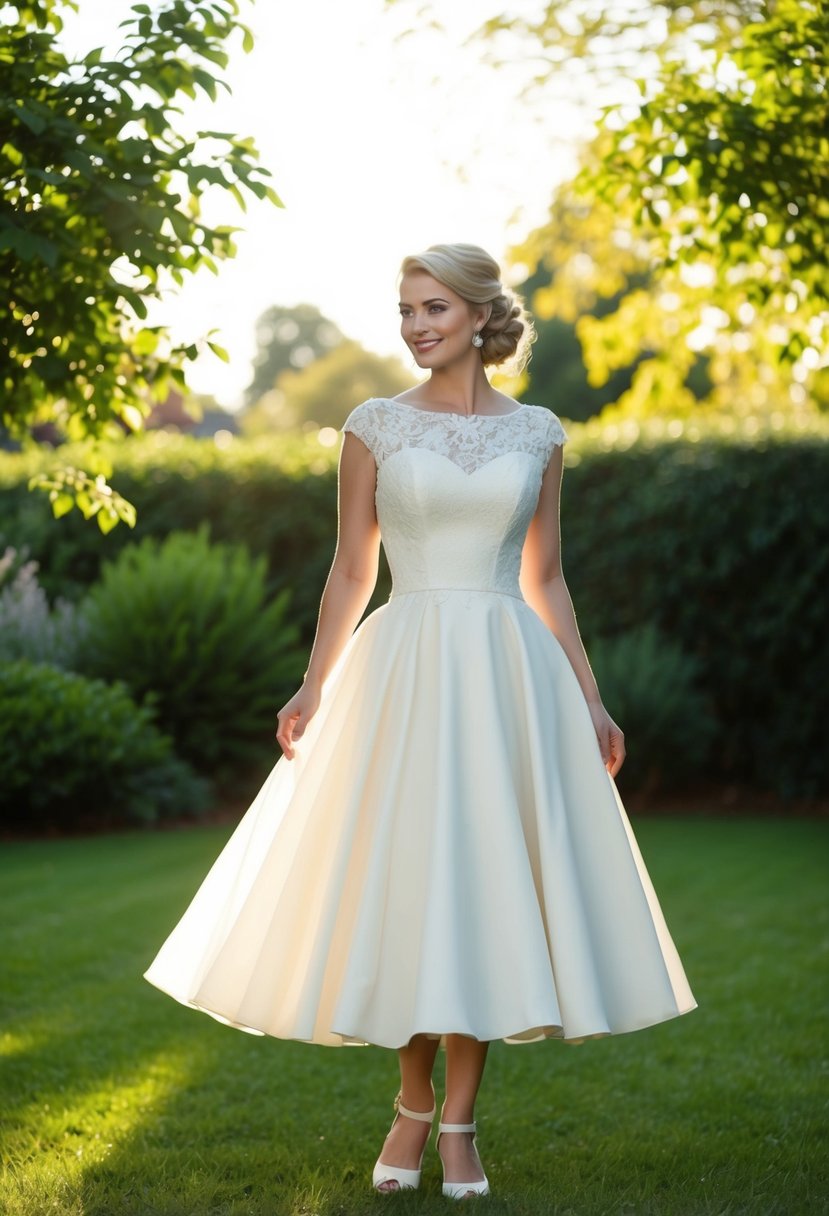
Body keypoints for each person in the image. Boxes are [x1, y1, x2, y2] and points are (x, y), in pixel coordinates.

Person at [144, 242, 697, 1201]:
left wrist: (590, 694)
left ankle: (460, 1125)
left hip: (504, 676)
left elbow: (547, 577)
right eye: (405, 310)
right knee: (406, 883)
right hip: (400, 673)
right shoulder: (372, 426)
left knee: (485, 888)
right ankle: (408, 1104)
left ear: (481, 318)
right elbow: (352, 571)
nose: (415, 326)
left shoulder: (539, 434)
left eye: (434, 308)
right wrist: (313, 685)